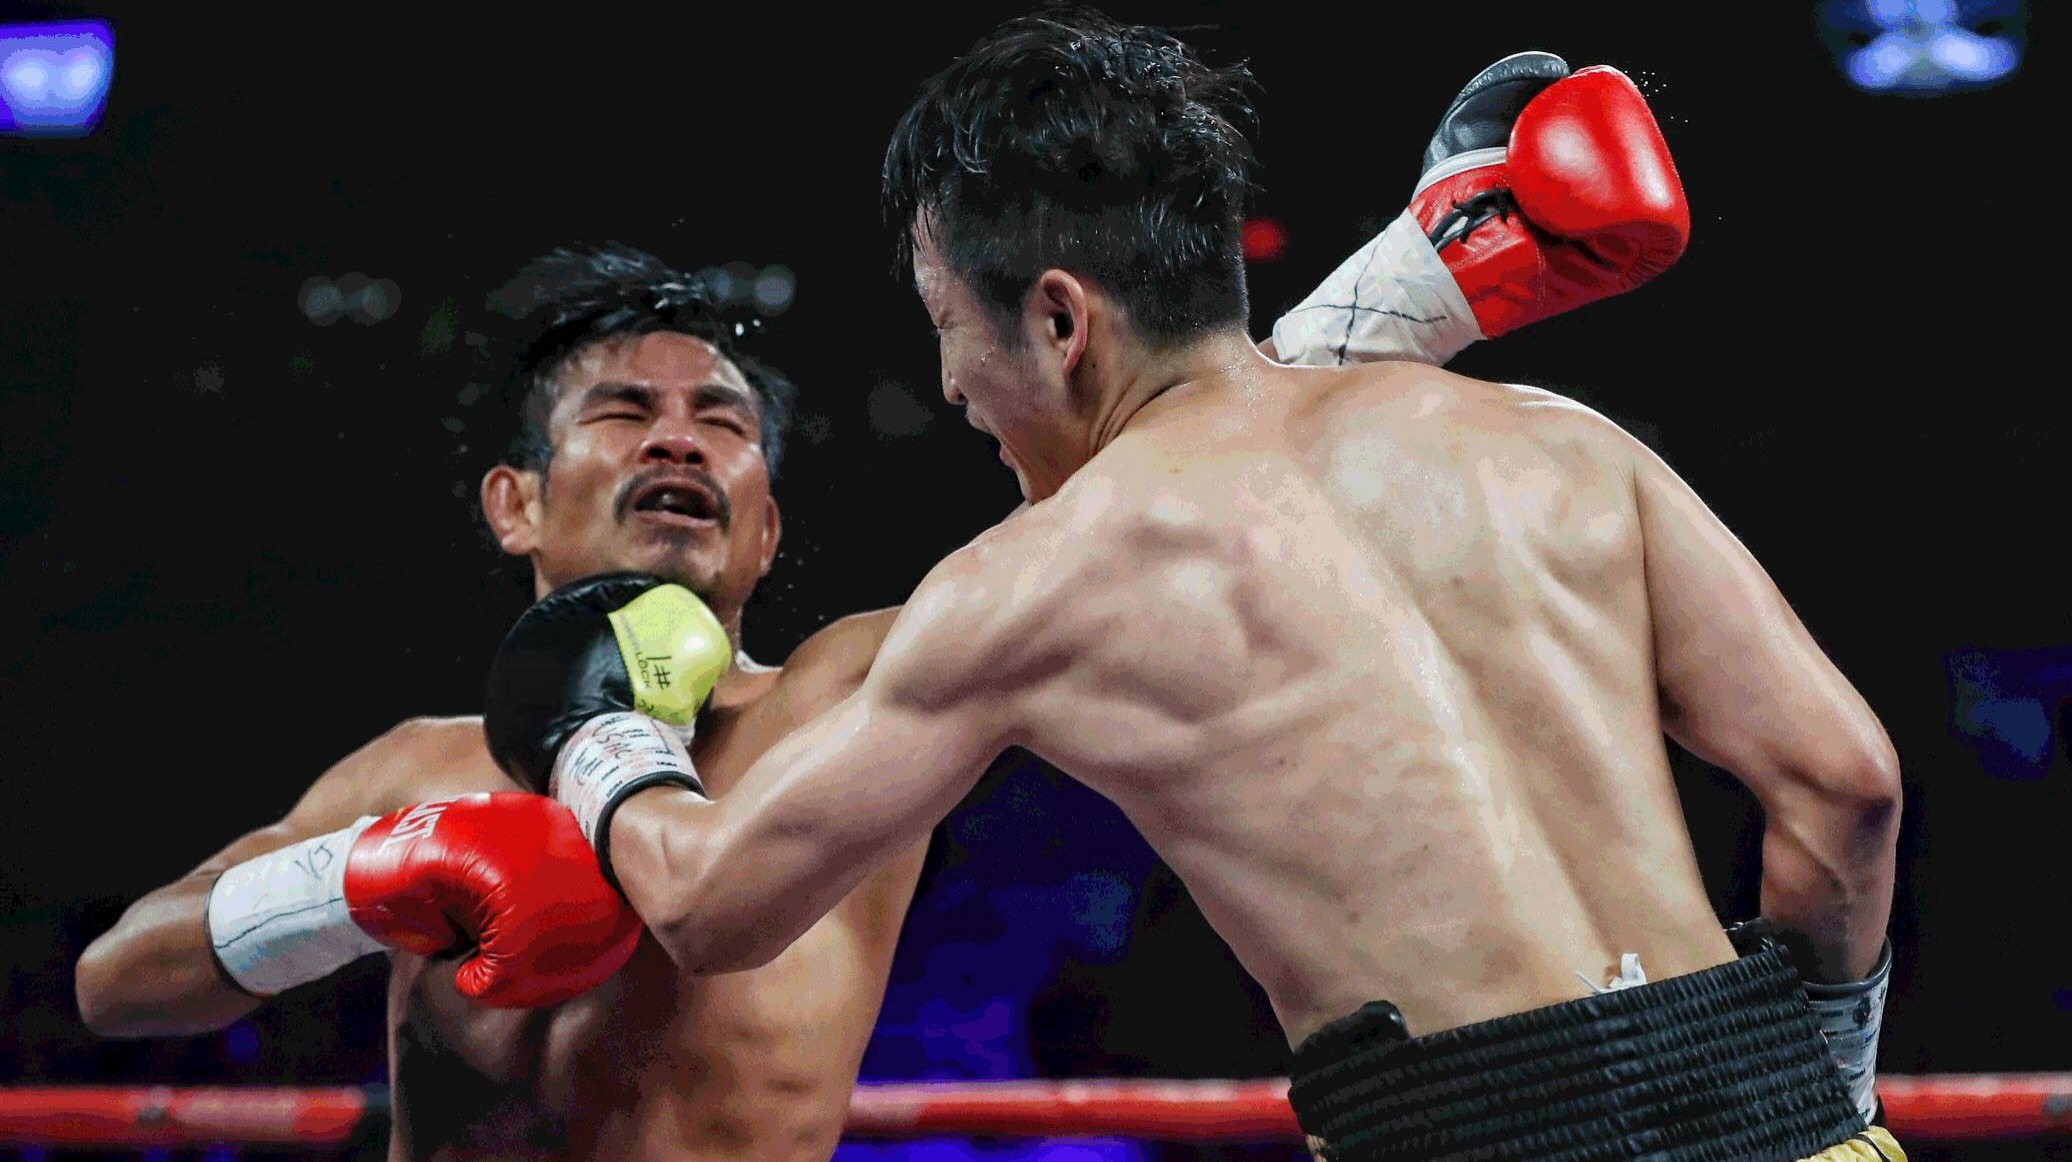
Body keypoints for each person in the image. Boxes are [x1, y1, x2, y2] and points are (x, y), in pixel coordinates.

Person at [73, 53, 1678, 1151]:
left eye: (723, 424)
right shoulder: (413, 770)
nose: (679, 439)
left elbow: (1125, 520)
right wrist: (355, 881)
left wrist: (1415, 291)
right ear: (515, 502)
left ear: (768, 523)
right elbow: (114, 979)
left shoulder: (849, 690)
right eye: (623, 412)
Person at [487, 10, 1904, 1162]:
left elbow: (714, 903)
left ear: (1058, 318)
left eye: (946, 326)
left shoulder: (1033, 585)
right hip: (1796, 1120)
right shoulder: (1564, 442)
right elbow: (1847, 786)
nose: (951, 386)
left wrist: (590, 725)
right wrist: (1814, 1091)